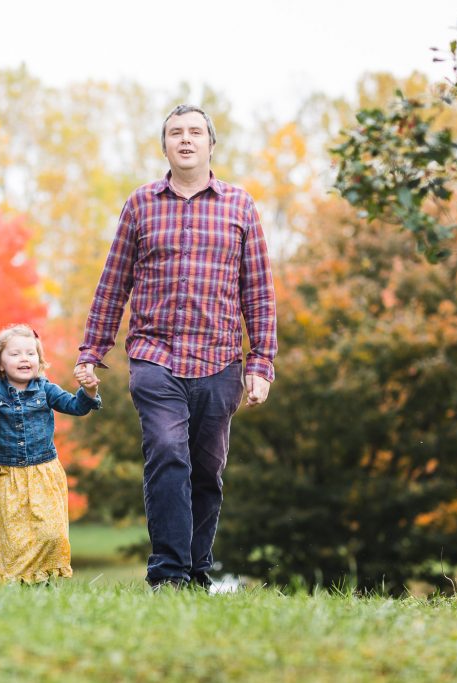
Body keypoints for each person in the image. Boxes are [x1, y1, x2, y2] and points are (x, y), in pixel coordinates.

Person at [75, 104, 277, 591]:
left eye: (194, 133)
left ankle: (197, 571)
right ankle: (167, 574)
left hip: (220, 360)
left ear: (211, 144)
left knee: (207, 470)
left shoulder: (240, 205)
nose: (185, 140)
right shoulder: (141, 204)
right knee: (167, 451)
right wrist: (91, 351)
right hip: (154, 355)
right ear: (164, 145)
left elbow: (259, 290)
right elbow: (113, 281)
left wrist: (261, 362)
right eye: (175, 133)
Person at [0, 324, 101, 584]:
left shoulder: (46, 389)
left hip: (43, 471)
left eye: (31, 354)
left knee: (51, 532)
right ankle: (15, 581)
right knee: (14, 535)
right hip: (9, 475)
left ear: (39, 360)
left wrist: (89, 390)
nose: (25, 359)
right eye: (16, 354)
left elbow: (76, 406)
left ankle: (43, 576)